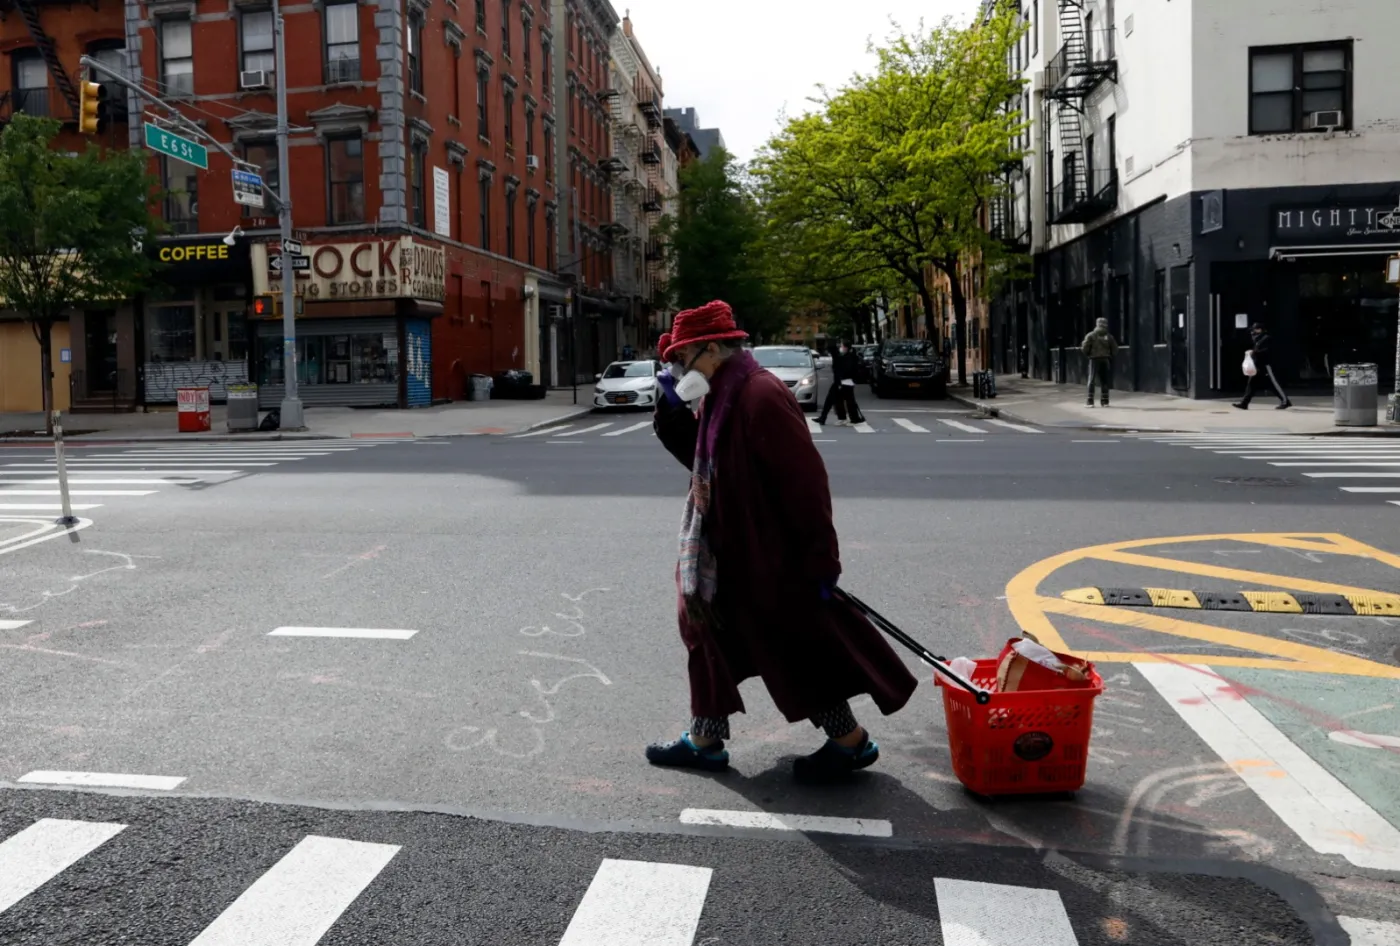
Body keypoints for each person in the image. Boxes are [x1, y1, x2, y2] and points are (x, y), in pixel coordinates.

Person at [647, 301, 918, 780]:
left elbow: (805, 485)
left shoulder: (759, 395)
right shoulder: (721, 393)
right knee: (708, 638)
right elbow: (704, 460)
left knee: (794, 651)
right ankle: (704, 739)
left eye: (680, 358)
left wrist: (819, 563)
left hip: (768, 557)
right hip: (728, 553)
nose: (677, 368)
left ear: (710, 349)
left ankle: (850, 742)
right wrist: (669, 413)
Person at [1234, 323, 1291, 410]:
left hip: (1266, 365)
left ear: (1260, 329)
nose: (1253, 332)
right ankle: (1244, 403)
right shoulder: (1258, 340)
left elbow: (1267, 351)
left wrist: (1254, 353)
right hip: (1258, 366)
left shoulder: (1266, 338)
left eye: (1255, 330)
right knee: (1251, 384)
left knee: (1274, 383)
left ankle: (1285, 401)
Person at [816, 339, 864, 426]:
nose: (840, 348)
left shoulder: (850, 357)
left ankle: (852, 418)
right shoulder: (845, 356)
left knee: (845, 401)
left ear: (846, 348)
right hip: (841, 382)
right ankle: (841, 418)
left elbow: (848, 370)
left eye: (842, 346)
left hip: (846, 382)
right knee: (837, 400)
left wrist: (841, 380)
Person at [1081, 317, 1119, 407]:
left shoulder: (1091, 335)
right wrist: (1110, 356)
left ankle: (1090, 401)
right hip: (1105, 359)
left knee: (1091, 380)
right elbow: (1115, 349)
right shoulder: (1109, 336)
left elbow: (1084, 347)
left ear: (1097, 324)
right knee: (1104, 380)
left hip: (1094, 359)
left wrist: (1088, 354)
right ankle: (1105, 401)